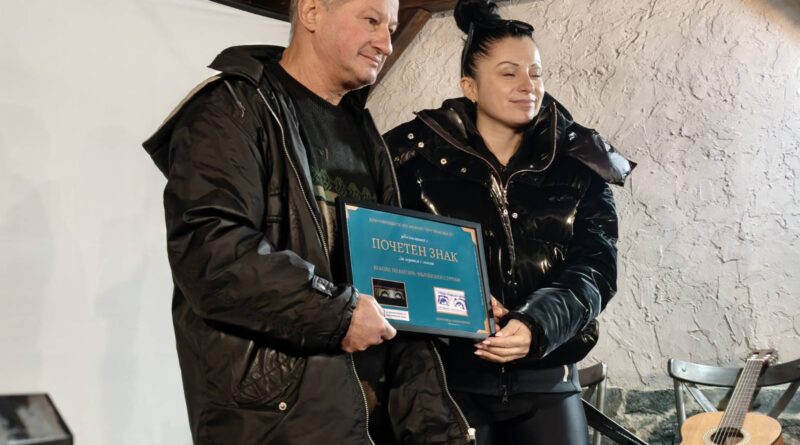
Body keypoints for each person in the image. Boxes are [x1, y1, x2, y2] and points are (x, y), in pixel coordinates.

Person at [143, 0, 473, 443]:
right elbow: (213, 256)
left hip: (373, 421)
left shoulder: (361, 128)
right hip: (281, 422)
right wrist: (338, 314)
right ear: (312, 12)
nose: (386, 43)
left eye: (391, 28)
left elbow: (386, 271)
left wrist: (461, 302)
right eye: (371, 20)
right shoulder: (230, 109)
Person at [383, 1, 635, 444]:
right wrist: (457, 305)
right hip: (447, 383)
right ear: (470, 86)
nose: (527, 86)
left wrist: (537, 325)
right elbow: (388, 261)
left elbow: (595, 269)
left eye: (535, 73)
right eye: (508, 73)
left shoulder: (580, 163)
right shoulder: (410, 158)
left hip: (548, 378)